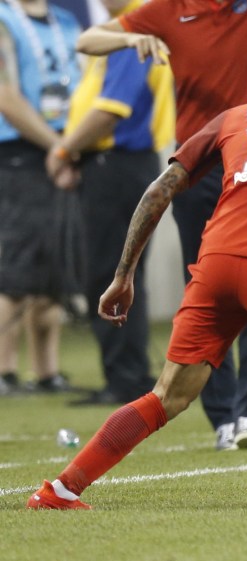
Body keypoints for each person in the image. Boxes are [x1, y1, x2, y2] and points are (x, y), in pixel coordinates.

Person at [26, 47, 247, 510]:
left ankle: (61, 489)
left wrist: (124, 275)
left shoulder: (235, 117)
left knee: (167, 395)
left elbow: (160, 190)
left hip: (214, 265)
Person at [74, 0, 247, 449]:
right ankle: (222, 418)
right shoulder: (165, 11)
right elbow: (87, 40)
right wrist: (128, 37)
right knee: (205, 289)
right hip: (198, 165)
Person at [45, 0, 175, 406]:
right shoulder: (121, 27)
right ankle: (127, 374)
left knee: (110, 273)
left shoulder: (133, 28)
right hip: (115, 165)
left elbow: (111, 110)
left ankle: (126, 379)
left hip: (119, 166)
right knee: (116, 271)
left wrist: (64, 150)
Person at [0, 0, 82, 395]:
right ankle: (3, 370)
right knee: (16, 269)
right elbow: (4, 94)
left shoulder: (65, 20)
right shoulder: (3, 18)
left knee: (53, 271)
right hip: (22, 151)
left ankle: (46, 372)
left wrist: (70, 146)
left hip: (63, 147)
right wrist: (57, 146)